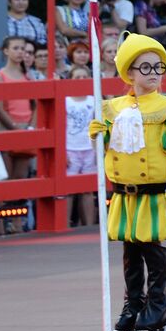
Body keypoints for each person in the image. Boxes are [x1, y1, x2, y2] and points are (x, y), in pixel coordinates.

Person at [88, 32, 166, 331]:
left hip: (155, 193)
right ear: (129, 72)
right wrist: (97, 136)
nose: (153, 74)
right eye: (145, 68)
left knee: (153, 250)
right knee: (130, 253)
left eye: (158, 67)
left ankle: (157, 310)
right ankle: (133, 306)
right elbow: (108, 149)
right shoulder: (113, 108)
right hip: (125, 194)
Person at [0, 35, 38, 232]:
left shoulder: (29, 76)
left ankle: (17, 223)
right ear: (6, 51)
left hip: (25, 128)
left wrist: (30, 126)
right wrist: (13, 127)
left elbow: (36, 104)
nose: (20, 52)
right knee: (4, 179)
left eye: (23, 49)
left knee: (21, 178)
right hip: (6, 128)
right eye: (16, 48)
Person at [64, 65, 97, 226]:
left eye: (85, 77)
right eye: (77, 77)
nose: (81, 81)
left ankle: (89, 225)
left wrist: (99, 150)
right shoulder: (66, 100)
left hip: (89, 148)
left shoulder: (94, 99)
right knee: (68, 190)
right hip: (70, 149)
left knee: (88, 190)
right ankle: (65, 224)